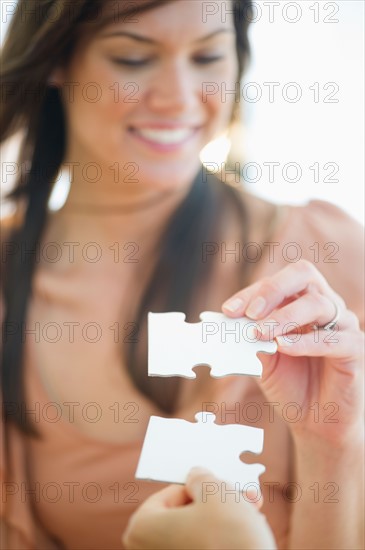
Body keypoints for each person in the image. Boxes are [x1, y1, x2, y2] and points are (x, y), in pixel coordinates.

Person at [0, 0, 363, 549]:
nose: (179, 98)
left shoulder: (330, 261)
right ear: (56, 61)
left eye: (209, 55)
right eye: (132, 59)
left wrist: (334, 449)